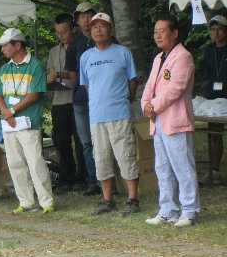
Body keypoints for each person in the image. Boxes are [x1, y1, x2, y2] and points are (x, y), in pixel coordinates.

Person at [80, 12, 140, 216]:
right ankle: (107, 199)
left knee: (126, 155)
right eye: (94, 26)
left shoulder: (123, 52)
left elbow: (133, 80)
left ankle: (132, 199)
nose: (98, 29)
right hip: (96, 116)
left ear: (110, 30)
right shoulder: (86, 57)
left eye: (102, 26)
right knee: (101, 158)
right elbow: (87, 86)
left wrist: (126, 99)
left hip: (119, 113)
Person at [143, 14, 200, 227]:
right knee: (163, 167)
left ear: (174, 33)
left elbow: (175, 89)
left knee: (182, 166)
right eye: (155, 31)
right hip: (158, 121)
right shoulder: (159, 58)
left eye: (162, 31)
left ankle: (190, 210)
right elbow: (149, 86)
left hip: (175, 120)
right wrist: (145, 105)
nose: (157, 35)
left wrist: (153, 106)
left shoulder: (183, 57)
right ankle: (168, 208)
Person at [0, 28, 54, 214]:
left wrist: (11, 110)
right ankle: (26, 201)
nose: (2, 48)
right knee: (15, 163)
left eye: (5, 45)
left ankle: (46, 202)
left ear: (17, 45)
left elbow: (35, 94)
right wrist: (5, 111)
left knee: (35, 162)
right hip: (10, 124)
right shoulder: (5, 69)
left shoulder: (35, 65)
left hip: (29, 122)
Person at [46, 13, 86, 192]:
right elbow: (49, 73)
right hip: (59, 100)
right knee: (61, 141)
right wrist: (50, 78)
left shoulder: (80, 47)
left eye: (64, 32)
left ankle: (82, 177)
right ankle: (66, 177)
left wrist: (59, 74)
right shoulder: (54, 51)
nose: (61, 35)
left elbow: (75, 74)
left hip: (76, 99)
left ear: (72, 29)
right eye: (58, 33)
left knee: (80, 140)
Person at [64, 2, 101, 196]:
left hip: (103, 99)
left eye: (89, 15)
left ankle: (108, 180)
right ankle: (93, 179)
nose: (86, 19)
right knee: (86, 142)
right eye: (81, 16)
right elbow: (71, 74)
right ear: (77, 21)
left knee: (104, 140)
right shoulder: (75, 45)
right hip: (80, 100)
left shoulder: (106, 39)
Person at [200, 15, 227, 184]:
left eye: (219, 29)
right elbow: (206, 74)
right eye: (213, 29)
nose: (216, 33)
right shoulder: (209, 51)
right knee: (214, 134)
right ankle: (214, 171)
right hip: (214, 99)